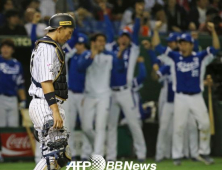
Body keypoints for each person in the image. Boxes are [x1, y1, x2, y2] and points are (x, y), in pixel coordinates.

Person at [152, 21, 220, 165]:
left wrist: (213, 31)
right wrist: (156, 30)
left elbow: (215, 48)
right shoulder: (175, 57)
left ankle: (204, 152)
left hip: (196, 96)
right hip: (181, 97)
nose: (182, 46)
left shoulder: (199, 57)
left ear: (191, 44)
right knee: (179, 126)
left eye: (185, 43)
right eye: (180, 43)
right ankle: (177, 156)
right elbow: (158, 47)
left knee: (205, 124)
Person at [100, 2, 147, 161]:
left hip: (126, 91)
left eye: (126, 36)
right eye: (122, 36)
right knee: (111, 125)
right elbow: (108, 30)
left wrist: (139, 16)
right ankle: (111, 156)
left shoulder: (133, 50)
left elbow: (135, 35)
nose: (124, 39)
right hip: (112, 92)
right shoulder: (111, 48)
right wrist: (105, 12)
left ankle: (141, 154)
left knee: (133, 123)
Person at [28, 13, 75, 170]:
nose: (70, 36)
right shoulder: (48, 48)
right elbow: (46, 81)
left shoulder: (48, 46)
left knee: (60, 158)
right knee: (54, 154)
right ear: (60, 28)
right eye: (69, 32)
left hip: (47, 103)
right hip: (44, 103)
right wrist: (54, 111)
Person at [78, 33, 124, 157]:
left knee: (100, 126)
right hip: (89, 95)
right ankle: (98, 146)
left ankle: (97, 154)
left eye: (103, 41)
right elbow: (80, 68)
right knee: (86, 127)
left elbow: (119, 67)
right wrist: (92, 55)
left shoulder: (110, 55)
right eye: (99, 41)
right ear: (93, 42)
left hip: (104, 95)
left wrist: (119, 57)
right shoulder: (86, 54)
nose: (101, 43)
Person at [65, 33, 92, 160]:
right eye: (77, 44)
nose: (78, 46)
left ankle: (86, 153)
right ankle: (72, 153)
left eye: (81, 44)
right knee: (69, 125)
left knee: (86, 125)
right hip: (71, 93)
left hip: (84, 94)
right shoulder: (72, 56)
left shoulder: (88, 56)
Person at [0, 38, 26, 127]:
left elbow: (20, 84)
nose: (5, 49)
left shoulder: (17, 65)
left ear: (13, 50)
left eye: (8, 47)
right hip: (1, 98)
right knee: (1, 127)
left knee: (13, 127)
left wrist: (23, 100)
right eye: (3, 47)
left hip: (13, 99)